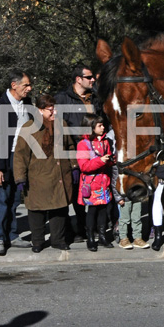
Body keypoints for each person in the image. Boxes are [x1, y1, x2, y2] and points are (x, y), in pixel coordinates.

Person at [14, 94, 73, 252]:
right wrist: (20, 177)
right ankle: (38, 241)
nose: (54, 113)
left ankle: (58, 240)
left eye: (55, 109)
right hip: (38, 176)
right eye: (50, 110)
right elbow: (20, 154)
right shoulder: (28, 128)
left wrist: (74, 167)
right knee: (36, 211)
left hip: (60, 174)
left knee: (59, 209)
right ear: (40, 110)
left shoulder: (62, 125)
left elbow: (70, 147)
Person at [0, 69, 34, 255]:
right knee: (2, 199)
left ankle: (12, 235)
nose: (29, 89)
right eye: (26, 85)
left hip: (21, 159)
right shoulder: (0, 107)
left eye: (30, 85)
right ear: (14, 85)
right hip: (5, 159)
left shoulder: (27, 104)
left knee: (15, 199)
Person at [54, 64, 96, 243]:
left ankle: (91, 228)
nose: (93, 79)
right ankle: (74, 230)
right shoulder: (62, 99)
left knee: (93, 191)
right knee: (74, 192)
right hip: (73, 152)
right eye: (89, 77)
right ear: (78, 79)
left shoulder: (96, 98)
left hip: (95, 151)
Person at [77, 113, 115, 251]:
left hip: (104, 181)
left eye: (103, 125)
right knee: (92, 211)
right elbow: (84, 166)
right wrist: (100, 161)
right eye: (99, 125)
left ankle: (103, 235)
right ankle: (91, 237)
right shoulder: (83, 144)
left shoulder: (105, 142)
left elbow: (109, 160)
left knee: (104, 210)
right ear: (91, 127)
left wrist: (112, 160)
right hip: (92, 184)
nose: (103, 127)